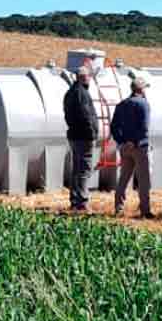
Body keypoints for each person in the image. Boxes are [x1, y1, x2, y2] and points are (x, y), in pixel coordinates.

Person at [111, 76, 153, 218]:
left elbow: (114, 127)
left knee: (123, 178)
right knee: (143, 180)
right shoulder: (143, 104)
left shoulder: (122, 104)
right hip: (140, 146)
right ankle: (145, 210)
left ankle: (118, 208)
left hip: (125, 147)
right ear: (141, 89)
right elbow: (144, 127)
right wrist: (135, 142)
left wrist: (122, 141)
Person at [63, 66, 100, 212]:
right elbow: (87, 116)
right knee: (84, 169)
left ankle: (74, 200)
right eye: (89, 77)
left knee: (76, 169)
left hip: (73, 135)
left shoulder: (69, 93)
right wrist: (92, 134)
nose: (89, 79)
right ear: (85, 77)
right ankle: (82, 202)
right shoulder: (82, 93)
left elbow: (67, 114)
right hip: (84, 137)